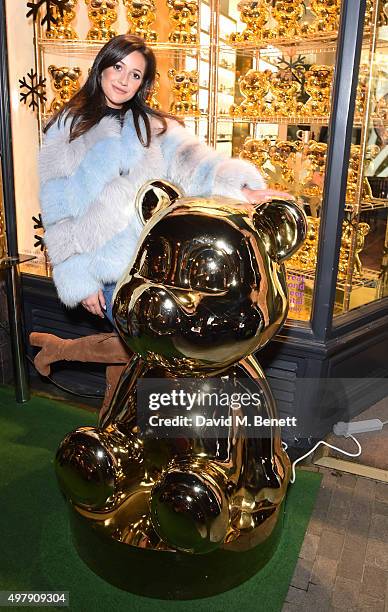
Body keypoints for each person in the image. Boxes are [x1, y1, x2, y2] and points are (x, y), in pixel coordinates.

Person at [30, 33, 290, 419]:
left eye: (135, 75)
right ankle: (108, 418)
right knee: (139, 349)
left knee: (140, 350)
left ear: (143, 83)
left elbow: (197, 163)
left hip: (150, 268)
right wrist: (78, 278)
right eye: (117, 67)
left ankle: (94, 404)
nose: (123, 80)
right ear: (102, 66)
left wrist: (241, 187)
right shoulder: (66, 129)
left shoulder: (153, 127)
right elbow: (57, 212)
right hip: (102, 267)